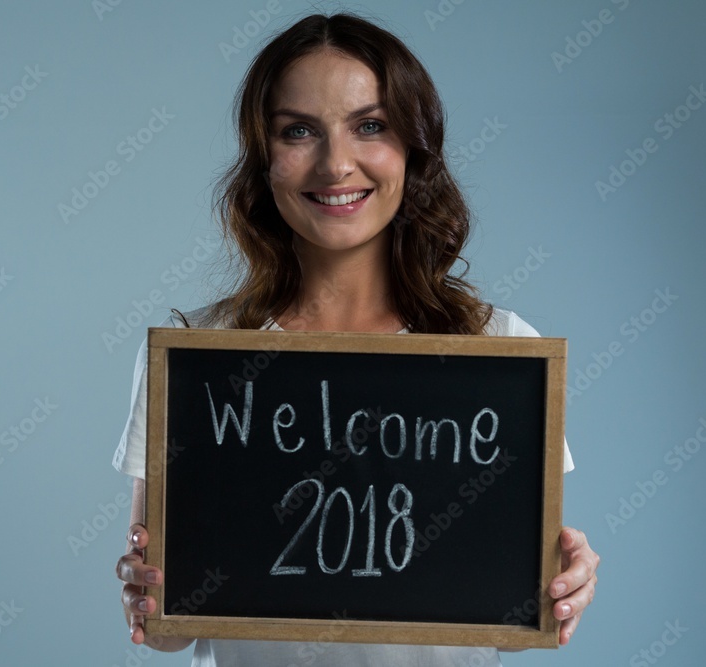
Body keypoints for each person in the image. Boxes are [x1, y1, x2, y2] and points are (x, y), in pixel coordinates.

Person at [114, 12, 599, 667]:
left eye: (370, 125)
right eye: (298, 131)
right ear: (264, 159)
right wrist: (145, 597)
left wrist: (565, 580)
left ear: (412, 147)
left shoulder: (499, 350)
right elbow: (170, 626)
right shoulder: (198, 354)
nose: (336, 163)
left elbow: (510, 593)